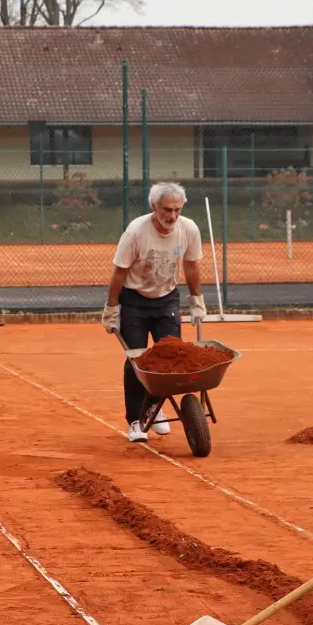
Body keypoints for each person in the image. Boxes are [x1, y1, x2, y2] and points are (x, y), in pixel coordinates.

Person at [101, 182, 208, 443]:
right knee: (138, 361)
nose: (172, 216)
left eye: (177, 210)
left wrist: (196, 299)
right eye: (167, 210)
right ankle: (135, 420)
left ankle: (154, 409)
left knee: (169, 357)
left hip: (167, 299)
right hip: (134, 299)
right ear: (154, 207)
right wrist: (112, 308)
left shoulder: (188, 229)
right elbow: (119, 272)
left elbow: (192, 266)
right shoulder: (136, 232)